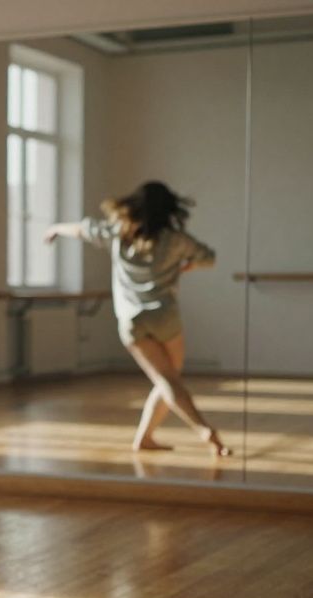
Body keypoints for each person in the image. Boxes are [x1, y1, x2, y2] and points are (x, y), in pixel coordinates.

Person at [45, 181, 231, 456]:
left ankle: (144, 438)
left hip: (132, 320)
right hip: (164, 316)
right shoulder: (175, 240)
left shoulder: (118, 233)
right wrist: (186, 266)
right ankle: (203, 430)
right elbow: (209, 257)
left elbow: (82, 229)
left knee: (166, 381)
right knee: (169, 380)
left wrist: (55, 229)